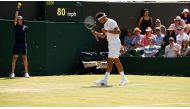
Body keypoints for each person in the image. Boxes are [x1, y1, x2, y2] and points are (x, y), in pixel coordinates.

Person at [91, 12, 128, 86]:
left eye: (100, 20)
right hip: (111, 44)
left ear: (103, 18)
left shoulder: (111, 22)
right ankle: (122, 79)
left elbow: (118, 31)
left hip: (115, 43)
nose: (100, 22)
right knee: (115, 61)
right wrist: (97, 33)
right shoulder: (105, 24)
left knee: (111, 61)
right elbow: (104, 36)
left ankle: (105, 80)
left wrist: (107, 31)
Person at [10, 2, 30, 78]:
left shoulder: (25, 27)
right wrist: (17, 9)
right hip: (17, 44)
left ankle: (26, 73)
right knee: (14, 57)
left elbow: (25, 35)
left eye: (20, 19)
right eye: (18, 19)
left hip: (23, 44)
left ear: (22, 20)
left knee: (24, 57)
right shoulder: (16, 26)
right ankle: (12, 73)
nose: (19, 20)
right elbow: (15, 18)